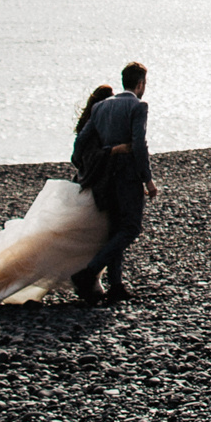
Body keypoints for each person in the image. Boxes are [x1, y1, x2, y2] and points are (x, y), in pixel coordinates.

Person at [0, 74, 117, 315]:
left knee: (80, 241)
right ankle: (87, 283)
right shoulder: (92, 130)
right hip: (88, 192)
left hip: (87, 189)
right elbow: (82, 159)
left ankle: (92, 282)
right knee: (70, 241)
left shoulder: (91, 126)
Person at [74, 61, 156, 303]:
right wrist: (148, 180)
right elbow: (139, 145)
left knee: (114, 230)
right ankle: (88, 273)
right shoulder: (138, 106)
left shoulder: (100, 107)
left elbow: (80, 145)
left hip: (104, 178)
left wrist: (92, 161)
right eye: (145, 83)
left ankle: (116, 285)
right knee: (130, 228)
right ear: (140, 83)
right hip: (127, 177)